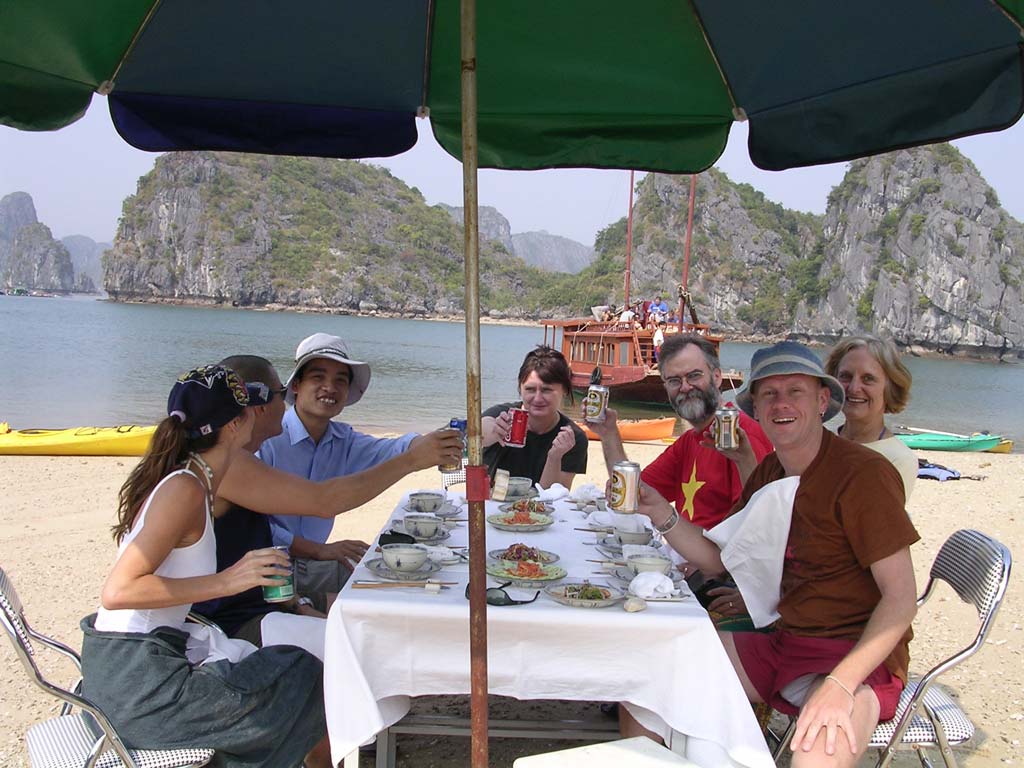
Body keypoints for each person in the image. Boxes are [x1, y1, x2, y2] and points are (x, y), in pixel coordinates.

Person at [630, 342, 919, 767]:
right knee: (648, 677)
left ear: (822, 400)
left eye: (795, 391)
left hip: (850, 656)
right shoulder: (771, 471)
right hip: (784, 640)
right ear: (757, 408)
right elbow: (723, 558)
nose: (781, 403)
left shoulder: (865, 475)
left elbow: (901, 600)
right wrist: (662, 514)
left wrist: (840, 686)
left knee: (815, 754)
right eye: (769, 393)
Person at [80, 365, 330, 768]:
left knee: (290, 666)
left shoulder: (192, 478)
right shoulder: (185, 489)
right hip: (139, 687)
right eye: (249, 406)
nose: (259, 411)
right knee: (303, 675)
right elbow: (119, 592)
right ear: (235, 424)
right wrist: (227, 581)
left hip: (134, 669)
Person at [192, 354, 462, 645]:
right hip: (225, 624)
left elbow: (264, 557)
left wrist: (299, 606)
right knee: (366, 639)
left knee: (379, 615)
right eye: (281, 394)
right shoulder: (227, 465)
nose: (285, 404)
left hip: (268, 601)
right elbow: (324, 500)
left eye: (339, 381)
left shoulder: (237, 457)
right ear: (256, 406)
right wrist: (411, 461)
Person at [260, 333, 463, 598]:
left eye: (340, 381)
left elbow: (394, 449)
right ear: (296, 385)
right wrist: (317, 550)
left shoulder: (342, 440)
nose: (329, 388)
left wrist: (439, 443)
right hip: (270, 569)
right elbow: (256, 526)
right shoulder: (269, 438)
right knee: (378, 583)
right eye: (318, 377)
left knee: (403, 570)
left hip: (312, 563)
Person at [587, 332, 773, 618]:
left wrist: (702, 567)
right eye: (674, 381)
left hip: (717, 585)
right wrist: (609, 434)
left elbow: (758, 536)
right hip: (686, 565)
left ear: (717, 376)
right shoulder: (691, 441)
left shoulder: (741, 438)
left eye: (694, 376)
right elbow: (631, 493)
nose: (685, 387)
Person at [482, 346, 588, 489]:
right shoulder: (503, 416)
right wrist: (496, 430)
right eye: (530, 389)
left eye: (546, 390)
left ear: (564, 390)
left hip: (540, 509)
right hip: (494, 505)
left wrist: (554, 458)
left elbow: (553, 497)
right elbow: (477, 430)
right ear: (520, 389)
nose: (538, 398)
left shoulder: (572, 437)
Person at [825, 335, 917, 497]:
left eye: (868, 379)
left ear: (889, 388)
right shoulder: (820, 445)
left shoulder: (898, 460)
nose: (854, 388)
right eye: (845, 376)